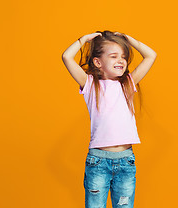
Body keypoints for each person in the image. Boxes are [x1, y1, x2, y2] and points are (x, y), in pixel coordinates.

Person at [61, 30, 157, 208]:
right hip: (98, 162)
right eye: (113, 56)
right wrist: (84, 39)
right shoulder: (90, 85)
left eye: (123, 56)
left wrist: (129, 39)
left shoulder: (128, 84)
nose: (121, 60)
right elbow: (67, 57)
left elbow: (151, 55)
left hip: (126, 161)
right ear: (98, 62)